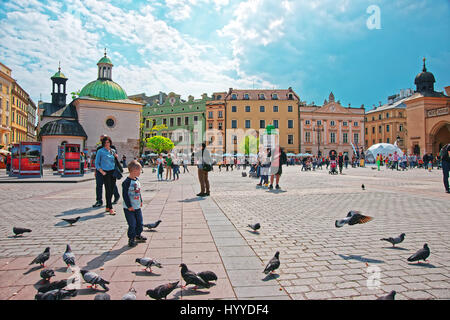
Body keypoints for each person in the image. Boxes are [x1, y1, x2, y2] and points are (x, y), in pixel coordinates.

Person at [122, 160, 147, 247]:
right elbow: (125, 195)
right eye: (139, 170)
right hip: (129, 208)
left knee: (140, 222)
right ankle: (131, 238)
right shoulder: (126, 182)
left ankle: (138, 235)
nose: (140, 172)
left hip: (137, 206)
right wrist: (129, 206)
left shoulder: (137, 180)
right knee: (132, 224)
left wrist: (141, 201)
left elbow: (138, 192)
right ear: (134, 170)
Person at [92, 135, 120, 208]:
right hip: (100, 171)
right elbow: (97, 162)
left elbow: (115, 159)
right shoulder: (99, 149)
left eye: (105, 140)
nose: (104, 141)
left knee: (111, 186)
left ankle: (116, 196)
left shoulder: (112, 149)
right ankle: (99, 200)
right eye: (102, 140)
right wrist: (97, 171)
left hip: (110, 171)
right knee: (99, 185)